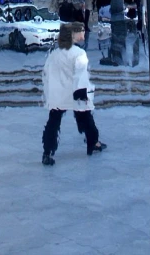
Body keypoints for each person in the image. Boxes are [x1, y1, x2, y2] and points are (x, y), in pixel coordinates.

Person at [41, 23, 107, 165]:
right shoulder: (79, 54)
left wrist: (50, 92)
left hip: (58, 94)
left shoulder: (54, 54)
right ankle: (93, 143)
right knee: (86, 117)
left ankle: (47, 151)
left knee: (53, 122)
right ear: (73, 34)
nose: (84, 33)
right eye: (81, 30)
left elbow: (47, 73)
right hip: (76, 93)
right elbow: (80, 75)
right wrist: (81, 92)